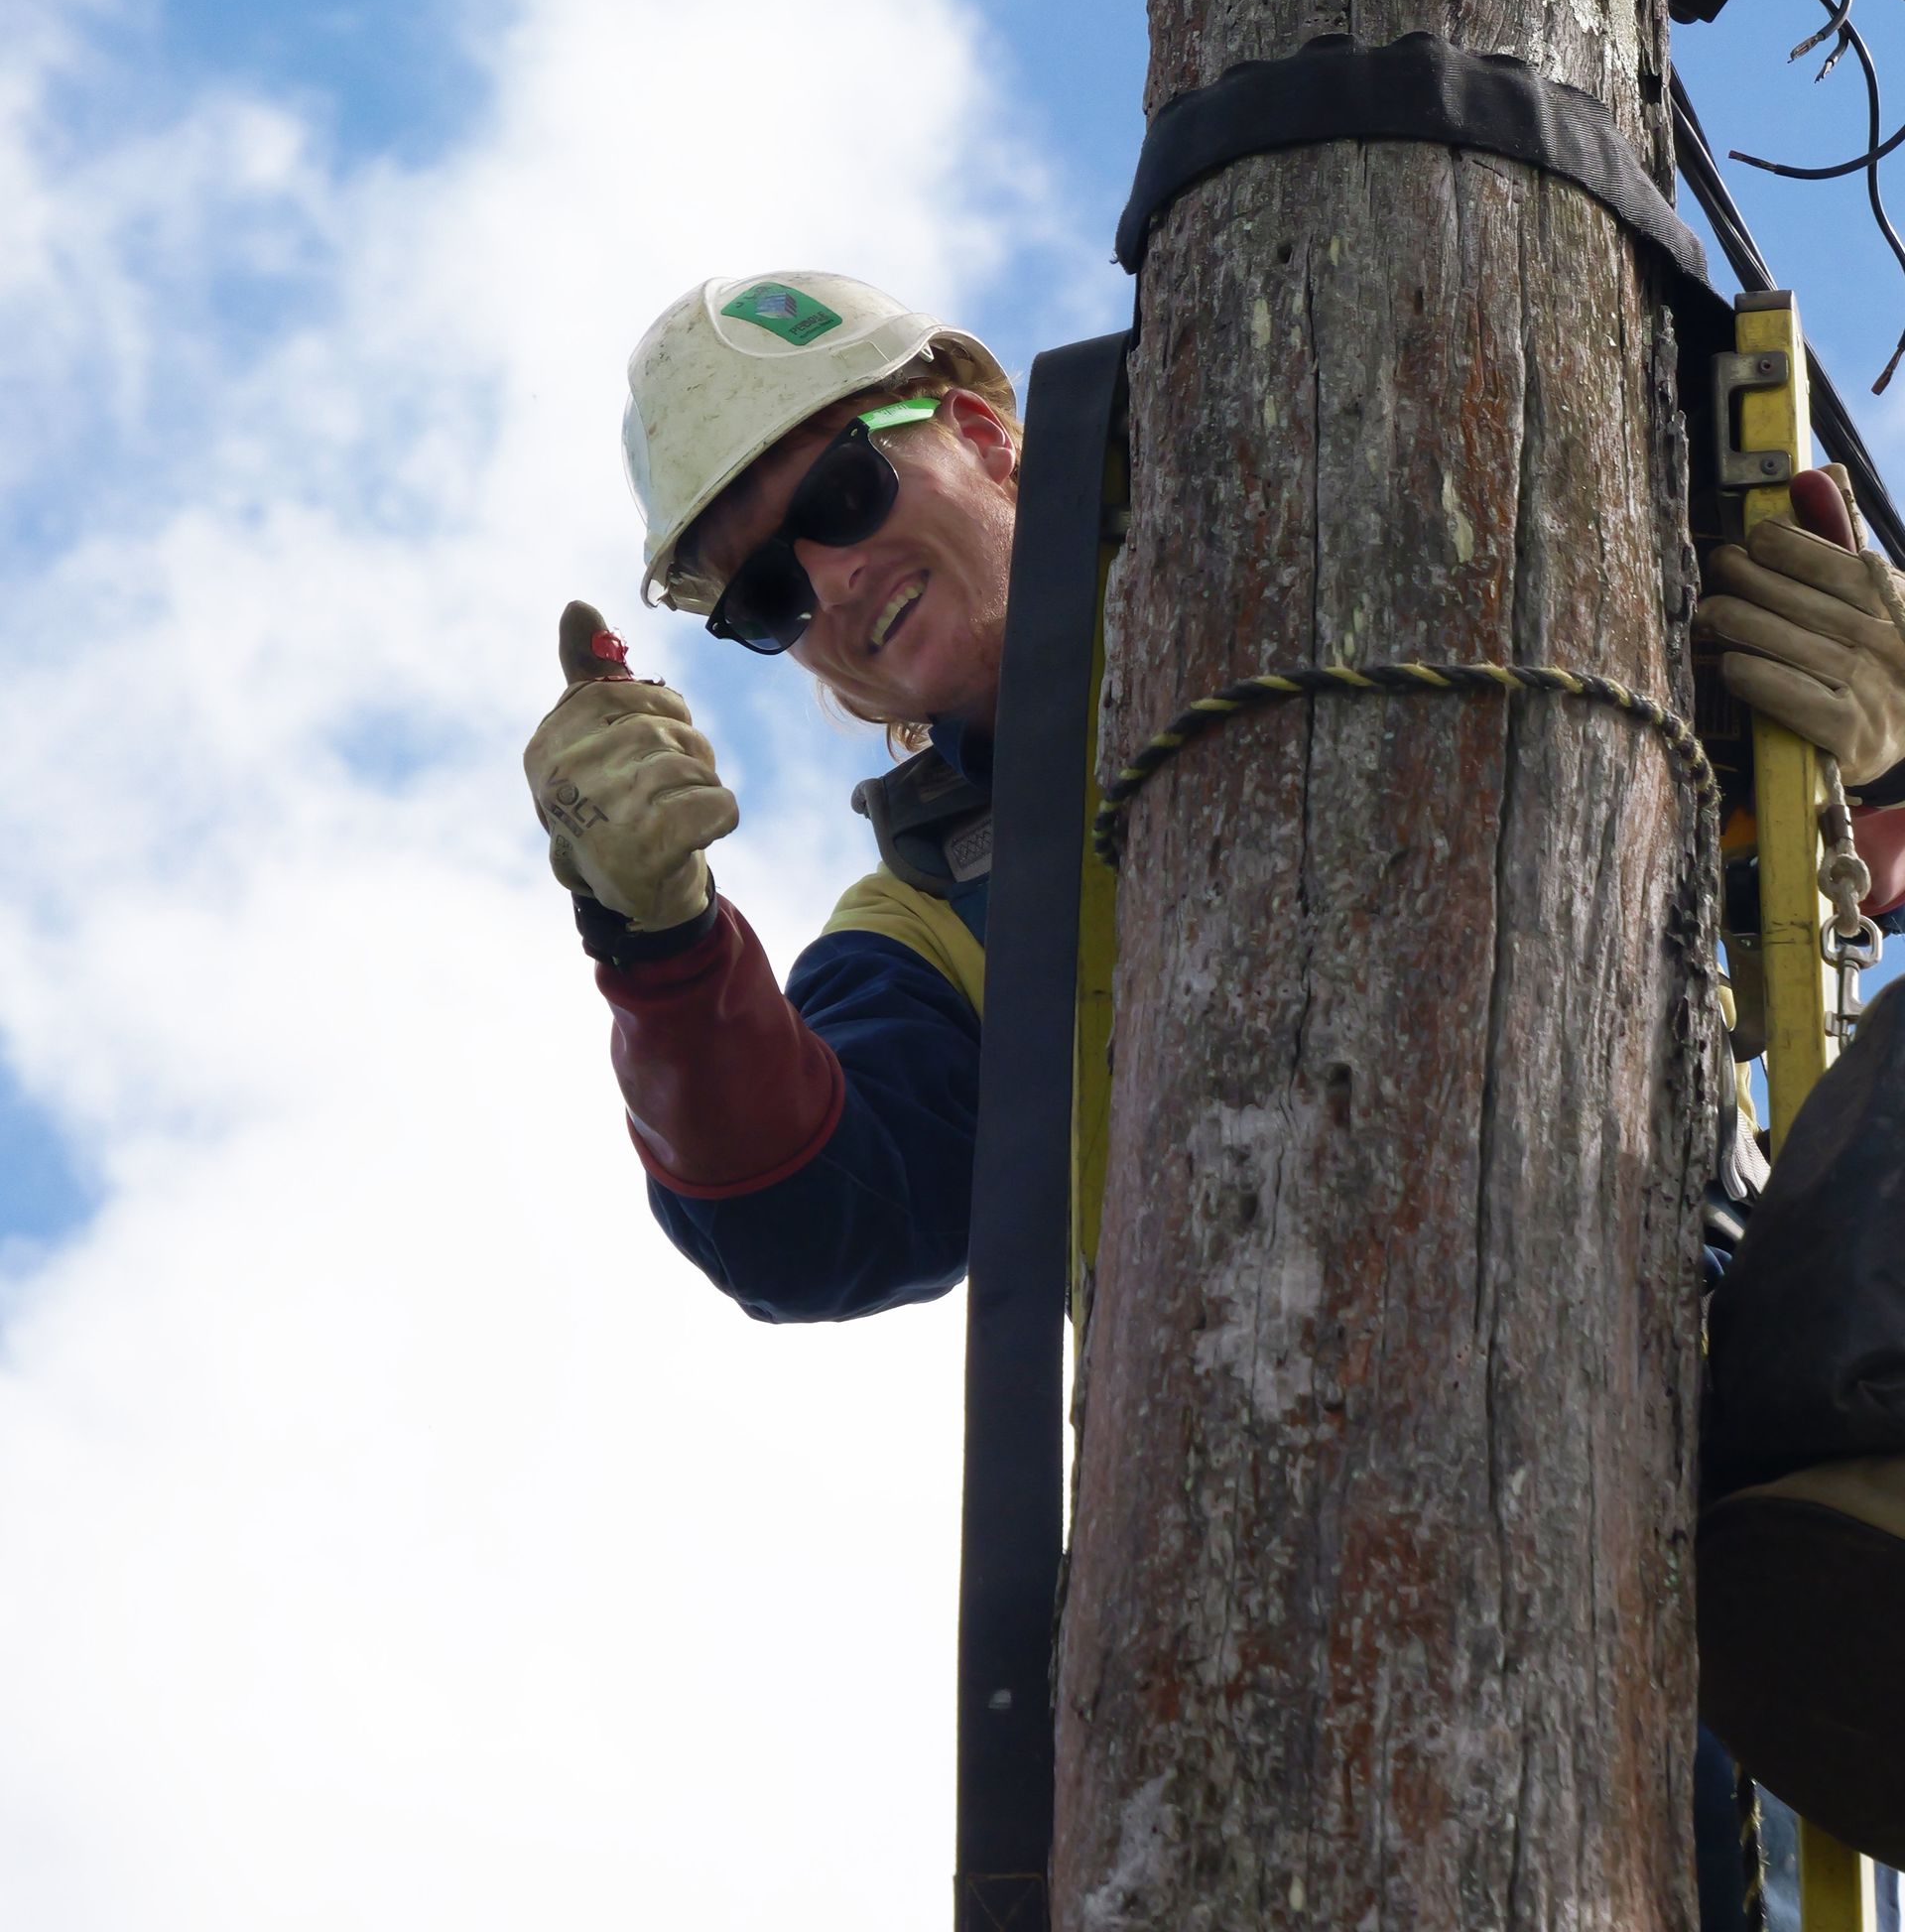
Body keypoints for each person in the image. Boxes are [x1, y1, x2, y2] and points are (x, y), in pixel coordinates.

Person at [527, 265, 1905, 1918]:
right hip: (1274, 1537)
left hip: (1678, 1426)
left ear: (975, 431)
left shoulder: (1384, 486)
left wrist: (1875, 745)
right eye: (762, 597)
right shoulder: (942, 926)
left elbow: (1777, 851)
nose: (823, 582)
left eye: (839, 491)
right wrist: (657, 939)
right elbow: (803, 1216)